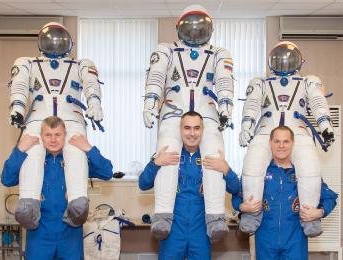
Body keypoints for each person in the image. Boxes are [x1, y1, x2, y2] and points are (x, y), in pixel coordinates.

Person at [143, 4, 234, 241]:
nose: (194, 32)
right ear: (179, 27)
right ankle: (163, 215)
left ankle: (215, 217)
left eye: (200, 26)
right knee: (167, 154)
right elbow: (156, 76)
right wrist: (151, 101)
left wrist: (226, 106)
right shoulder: (166, 50)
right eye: (189, 26)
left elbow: (225, 82)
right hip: (173, 108)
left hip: (207, 109)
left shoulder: (219, 53)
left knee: (213, 159)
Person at [8, 22, 104, 229]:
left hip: (72, 119)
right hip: (37, 119)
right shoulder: (27, 63)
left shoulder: (81, 65)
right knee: (31, 152)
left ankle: (78, 203)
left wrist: (95, 104)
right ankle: (28, 204)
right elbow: (20, 85)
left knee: (76, 154)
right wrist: (16, 108)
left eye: (60, 39)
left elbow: (91, 84)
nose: (54, 43)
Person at [238, 41, 334, 236]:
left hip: (297, 131)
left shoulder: (308, 81)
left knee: (310, 170)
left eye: (289, 58)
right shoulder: (261, 82)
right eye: (279, 58)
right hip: (266, 130)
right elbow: (252, 104)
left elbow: (318, 102)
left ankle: (310, 218)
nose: (284, 62)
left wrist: (325, 125)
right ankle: (252, 213)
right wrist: (246, 126)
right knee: (252, 167)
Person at [1, 116, 113, 260]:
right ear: (41, 136)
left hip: (70, 232)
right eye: (48, 135)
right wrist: (20, 149)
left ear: (65, 135)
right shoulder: (31, 161)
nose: (53, 140)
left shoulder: (76, 160)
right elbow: (7, 179)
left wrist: (88, 149)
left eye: (57, 135)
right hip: (39, 233)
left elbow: (107, 172)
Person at [139, 111, 240, 259]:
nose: (192, 133)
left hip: (201, 232)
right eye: (187, 128)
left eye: (196, 128)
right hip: (172, 231)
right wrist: (156, 163)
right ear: (180, 129)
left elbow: (236, 188)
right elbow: (143, 183)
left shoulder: (212, 156)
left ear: (202, 130)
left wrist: (226, 169)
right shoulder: (168, 154)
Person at [233, 126, 338, 260]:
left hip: (295, 243)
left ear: (293, 144)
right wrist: (242, 207)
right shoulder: (258, 172)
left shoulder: (305, 173)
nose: (281, 146)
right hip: (265, 243)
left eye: (286, 141)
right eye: (277, 141)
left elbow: (330, 197)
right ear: (270, 143)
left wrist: (320, 212)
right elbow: (237, 196)